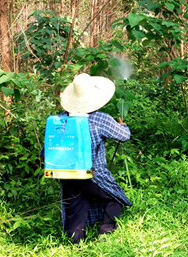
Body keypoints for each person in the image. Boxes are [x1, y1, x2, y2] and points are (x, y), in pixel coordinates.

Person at [56, 73, 132, 244]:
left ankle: (76, 247)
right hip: (93, 175)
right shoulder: (100, 118)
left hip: (67, 174)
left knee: (76, 210)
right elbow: (124, 136)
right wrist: (123, 126)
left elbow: (45, 151)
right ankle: (105, 234)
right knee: (116, 198)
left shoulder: (60, 120)